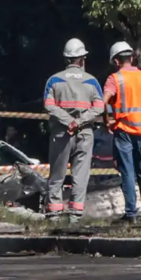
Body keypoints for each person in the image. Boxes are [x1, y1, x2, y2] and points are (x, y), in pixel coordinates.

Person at [43, 38, 104, 224]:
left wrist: (68, 121)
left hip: (62, 132)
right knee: (80, 175)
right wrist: (79, 121)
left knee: (57, 174)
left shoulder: (54, 80)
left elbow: (49, 106)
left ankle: (53, 215)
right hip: (84, 133)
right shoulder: (92, 81)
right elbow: (99, 107)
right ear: (82, 59)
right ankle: (75, 216)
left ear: (66, 59)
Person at [102, 41, 141, 224]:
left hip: (124, 130)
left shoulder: (114, 79)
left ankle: (131, 214)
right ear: (132, 58)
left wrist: (107, 121)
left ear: (116, 61)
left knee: (127, 172)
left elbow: (103, 101)